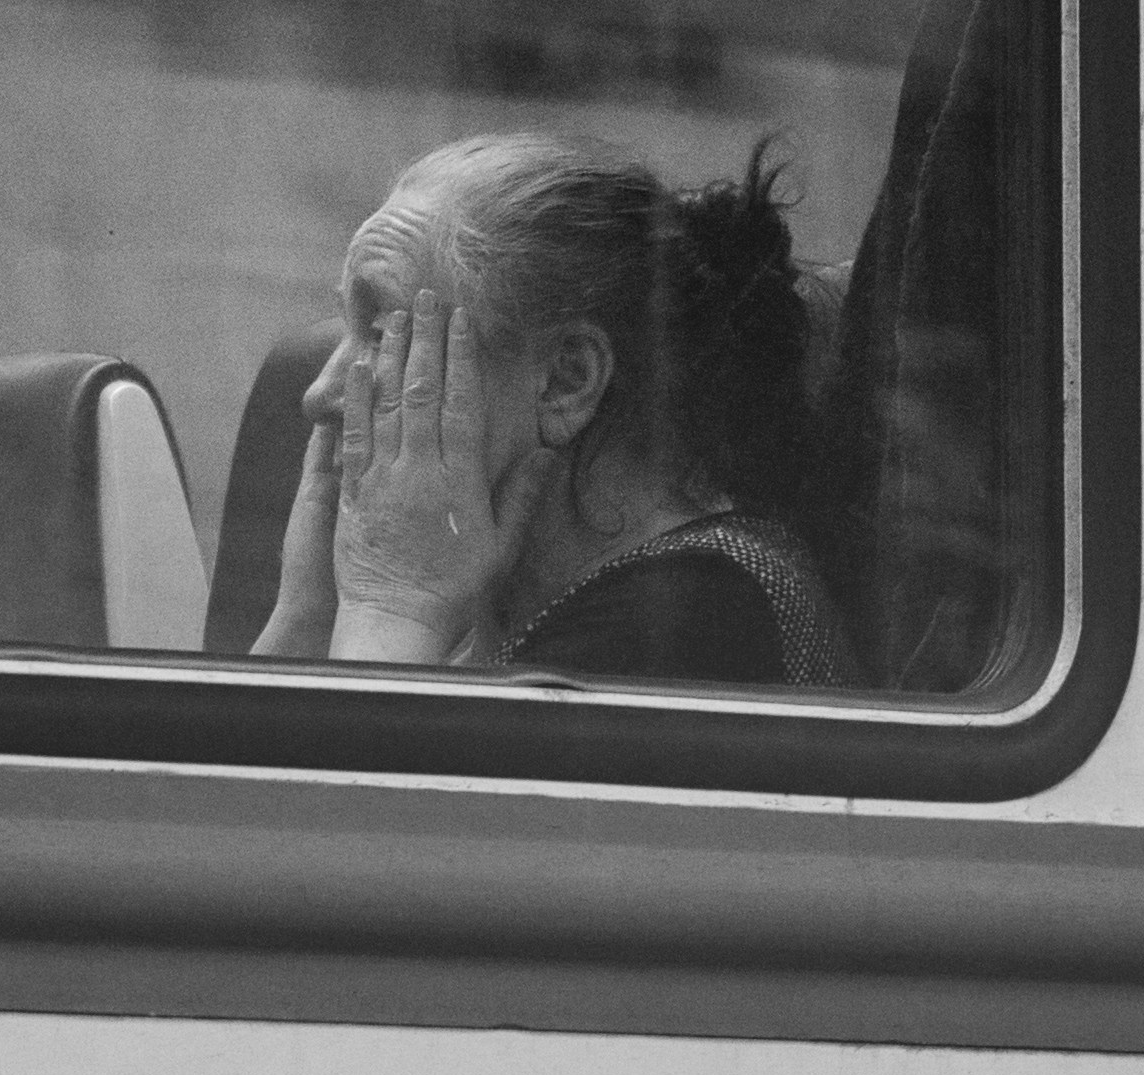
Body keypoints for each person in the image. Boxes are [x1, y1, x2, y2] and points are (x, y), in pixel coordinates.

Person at [246, 129, 852, 687]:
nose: (319, 395)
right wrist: (308, 618)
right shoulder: (546, 607)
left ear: (565, 381)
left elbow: (361, 778)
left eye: (380, 333)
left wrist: (392, 604)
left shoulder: (688, 623)